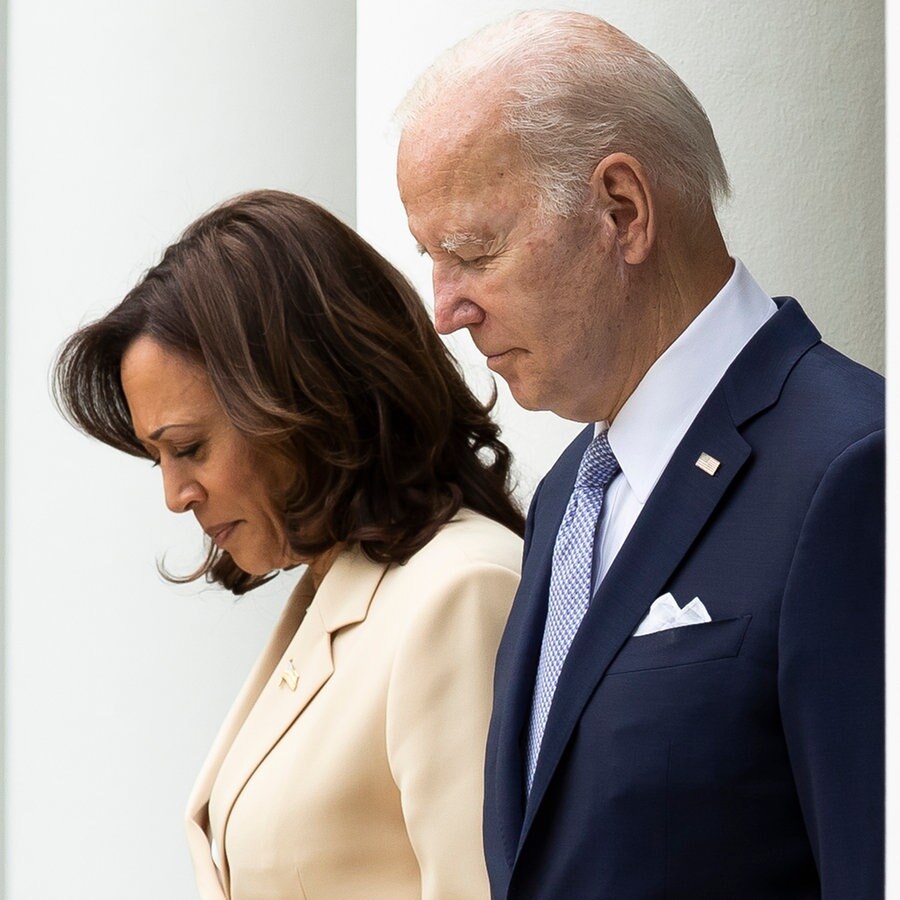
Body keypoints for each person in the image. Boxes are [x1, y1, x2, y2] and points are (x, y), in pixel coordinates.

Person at [397, 10, 884, 899]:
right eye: (431, 258)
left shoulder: (855, 470)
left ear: (622, 210)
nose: (445, 310)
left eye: (472, 251)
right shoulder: (565, 501)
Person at [53, 189, 524, 900]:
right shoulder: (339, 593)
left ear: (304, 399)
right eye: (161, 460)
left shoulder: (459, 592)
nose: (175, 495)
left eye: (189, 448)